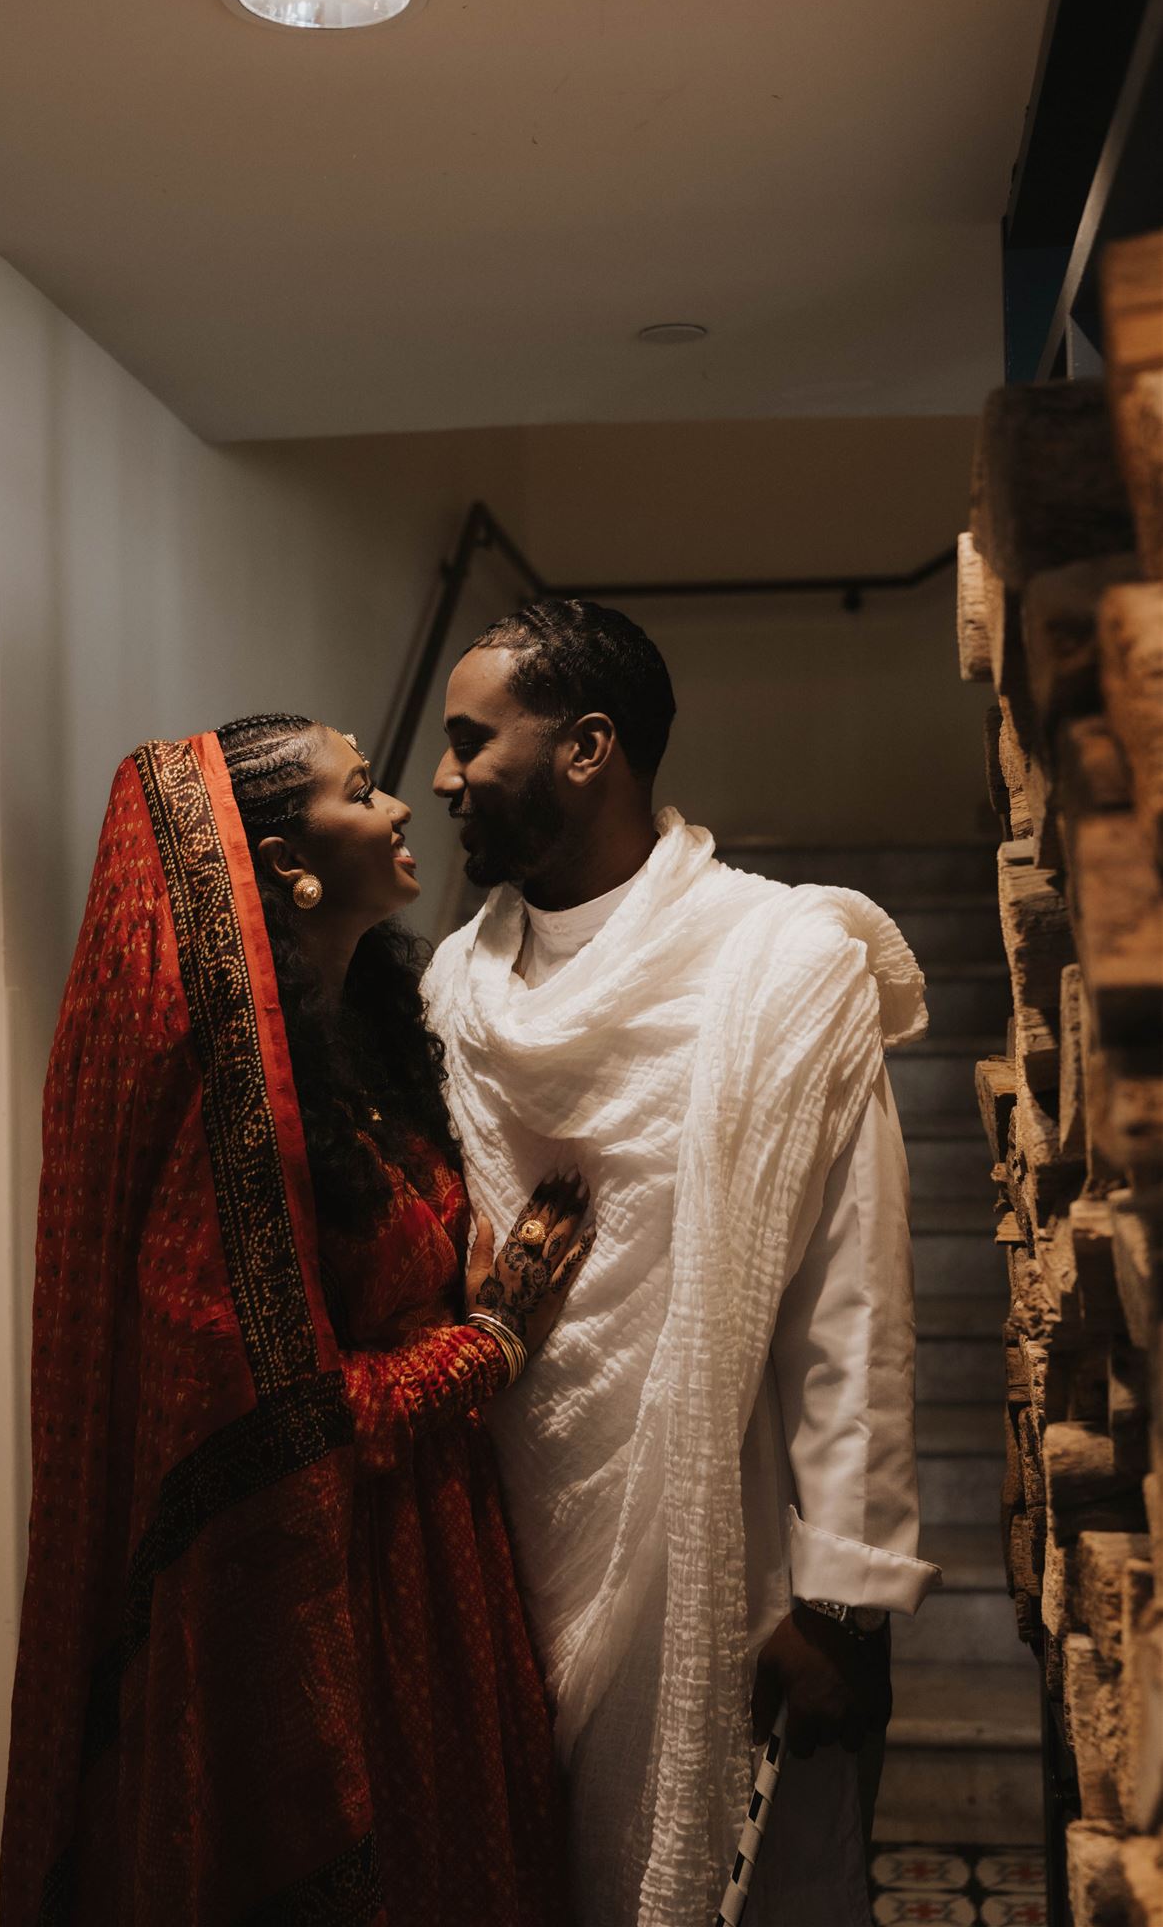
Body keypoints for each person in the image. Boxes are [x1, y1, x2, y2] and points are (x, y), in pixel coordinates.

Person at [0, 712, 595, 1927]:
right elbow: (281, 1416)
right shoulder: (233, 1112)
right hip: (328, 1573)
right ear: (287, 865)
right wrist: (493, 1339)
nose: (399, 808)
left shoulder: (373, 1033)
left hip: (439, 1545)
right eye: (364, 789)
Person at [422, 602, 941, 1927]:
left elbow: (855, 1300)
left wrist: (843, 1597)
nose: (438, 778)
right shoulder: (449, 991)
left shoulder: (781, 966)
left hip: (740, 1566)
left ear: (588, 748)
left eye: (472, 740)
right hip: (501, 1571)